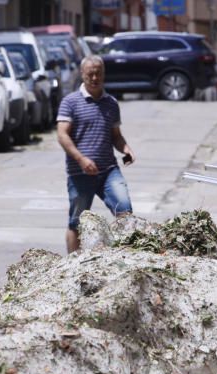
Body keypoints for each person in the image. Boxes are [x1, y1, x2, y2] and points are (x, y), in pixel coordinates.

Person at [55, 54, 135, 253]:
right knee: (76, 222)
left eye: (98, 73)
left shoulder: (111, 103)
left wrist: (126, 149)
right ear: (82, 74)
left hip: (108, 171)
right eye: (90, 74)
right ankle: (73, 264)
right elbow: (62, 135)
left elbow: (116, 135)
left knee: (125, 212)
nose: (94, 78)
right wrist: (81, 159)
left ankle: (124, 256)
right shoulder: (70, 102)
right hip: (80, 173)